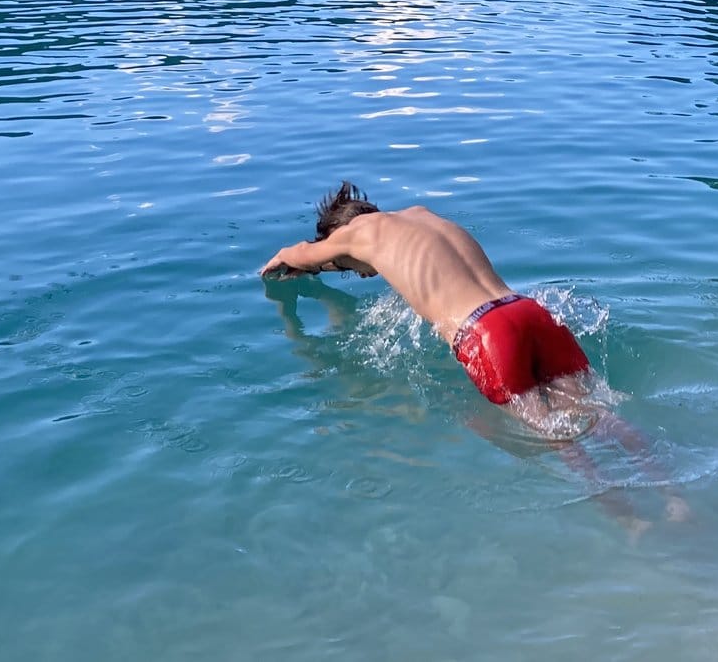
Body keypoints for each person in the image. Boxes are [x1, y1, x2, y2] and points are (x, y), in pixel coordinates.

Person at [261, 182, 687, 525]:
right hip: (527, 311)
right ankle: (674, 496)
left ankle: (627, 519)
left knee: (556, 434)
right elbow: (373, 259)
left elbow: (301, 253)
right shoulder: (420, 216)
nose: (359, 273)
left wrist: (283, 264)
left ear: (340, 233)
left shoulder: (354, 236)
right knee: (601, 415)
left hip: (483, 333)